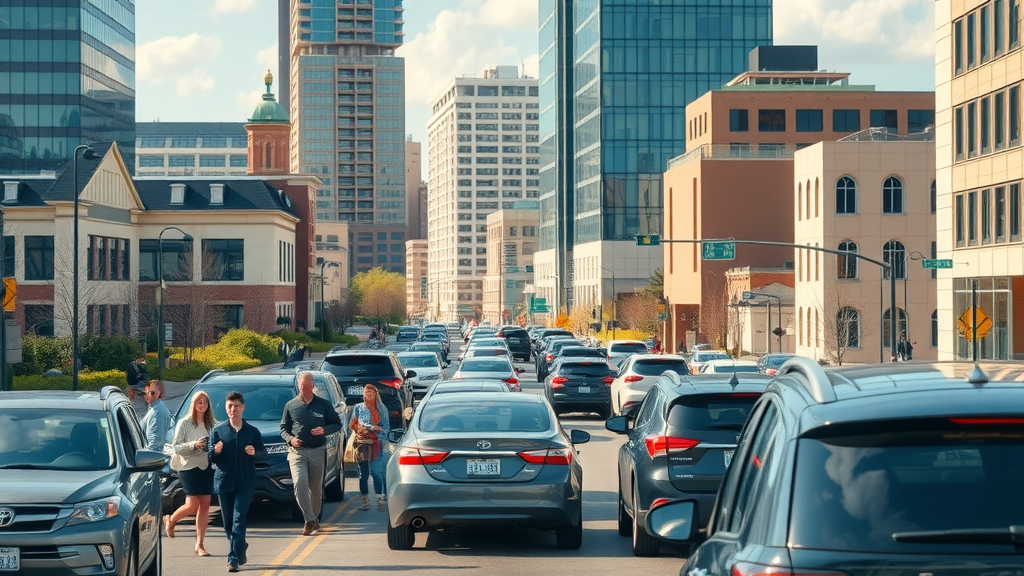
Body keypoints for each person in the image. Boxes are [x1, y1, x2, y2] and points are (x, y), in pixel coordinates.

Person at [280, 372, 342, 536]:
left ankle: (315, 520)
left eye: (307, 386)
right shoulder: (291, 405)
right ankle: (309, 519)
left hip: (317, 451)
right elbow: (283, 428)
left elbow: (337, 424)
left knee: (315, 489)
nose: (304, 389)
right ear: (299, 386)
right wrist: (291, 439)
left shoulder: (323, 405)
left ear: (313, 386)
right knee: (300, 483)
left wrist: (324, 430)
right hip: (297, 452)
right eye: (302, 386)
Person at [209, 392, 265, 573]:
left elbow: (263, 454)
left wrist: (254, 453)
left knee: (239, 519)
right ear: (226, 408)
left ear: (243, 408)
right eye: (229, 406)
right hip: (224, 482)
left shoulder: (252, 432)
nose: (233, 409)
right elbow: (210, 458)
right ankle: (241, 546)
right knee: (227, 524)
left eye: (236, 406)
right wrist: (216, 451)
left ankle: (233, 557)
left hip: (245, 482)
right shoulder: (218, 431)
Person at [165, 391, 215, 556]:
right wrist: (195, 444)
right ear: (193, 404)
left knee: (205, 505)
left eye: (205, 402)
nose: (202, 405)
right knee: (193, 505)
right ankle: (171, 520)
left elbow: (216, 443)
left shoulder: (211, 424)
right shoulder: (185, 423)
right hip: (187, 467)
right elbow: (176, 447)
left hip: (206, 466)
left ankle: (200, 544)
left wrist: (215, 447)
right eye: (199, 402)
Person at [349, 384, 390, 511]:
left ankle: (380, 500)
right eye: (366, 393)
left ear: (376, 394)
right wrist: (365, 428)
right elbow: (352, 425)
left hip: (377, 445)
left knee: (376, 472)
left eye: (371, 393)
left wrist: (378, 434)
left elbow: (386, 428)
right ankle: (365, 501)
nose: (369, 395)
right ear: (363, 395)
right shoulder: (358, 408)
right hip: (362, 445)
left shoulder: (382, 409)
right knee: (364, 474)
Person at [139, 380, 171, 452]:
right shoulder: (153, 408)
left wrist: (145, 458)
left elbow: (154, 444)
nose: (149, 395)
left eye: (152, 393)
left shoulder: (157, 412)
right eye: (146, 392)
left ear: (159, 393)